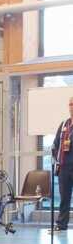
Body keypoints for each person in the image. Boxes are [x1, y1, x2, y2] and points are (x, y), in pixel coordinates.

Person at [51, 94, 73, 230]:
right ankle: (61, 224)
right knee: (64, 197)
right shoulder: (64, 124)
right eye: (70, 104)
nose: (72, 107)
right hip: (64, 168)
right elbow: (55, 143)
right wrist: (56, 158)